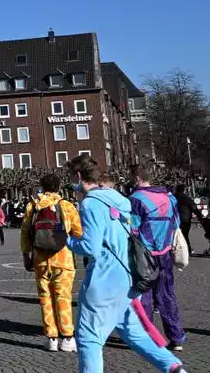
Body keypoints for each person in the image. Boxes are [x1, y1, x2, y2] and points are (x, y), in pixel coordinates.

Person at [66, 155, 186, 373]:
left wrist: (66, 240)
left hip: (104, 280)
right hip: (128, 275)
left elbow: (90, 247)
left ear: (79, 176)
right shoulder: (117, 198)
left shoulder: (91, 204)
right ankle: (173, 367)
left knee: (89, 338)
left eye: (70, 176)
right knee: (134, 333)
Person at [21, 173, 83, 352]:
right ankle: (68, 337)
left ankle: (52, 337)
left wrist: (26, 254)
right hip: (63, 258)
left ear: (42, 186)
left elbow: (25, 232)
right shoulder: (66, 206)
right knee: (63, 297)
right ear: (58, 187)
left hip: (40, 258)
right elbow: (79, 232)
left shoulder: (33, 206)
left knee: (45, 297)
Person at [129, 165, 187, 352]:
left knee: (144, 296)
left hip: (145, 254)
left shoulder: (136, 200)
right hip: (165, 252)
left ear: (137, 178)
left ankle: (148, 337)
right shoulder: (169, 198)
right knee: (167, 295)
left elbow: (133, 229)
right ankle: (176, 337)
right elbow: (176, 223)